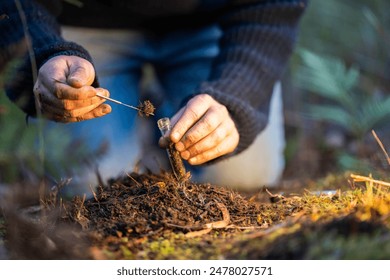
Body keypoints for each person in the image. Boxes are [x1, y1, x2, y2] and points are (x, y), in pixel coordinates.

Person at [0, 0, 308, 191]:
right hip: (79, 24)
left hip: (214, 22)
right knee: (86, 185)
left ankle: (169, 105)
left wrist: (235, 96)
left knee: (242, 177)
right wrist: (43, 54)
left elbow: (275, 5)